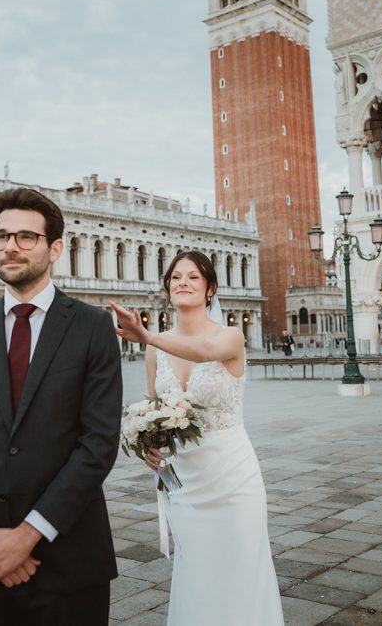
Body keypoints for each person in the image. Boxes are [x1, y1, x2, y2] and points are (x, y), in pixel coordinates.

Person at [0, 188, 123, 625]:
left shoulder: (93, 328)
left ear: (55, 249)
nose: (10, 246)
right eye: (2, 236)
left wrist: (28, 535)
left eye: (26, 237)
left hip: (68, 560)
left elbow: (99, 445)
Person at [110, 251, 284, 626]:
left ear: (210, 290)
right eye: (175, 278)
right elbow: (154, 409)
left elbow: (205, 351)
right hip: (185, 483)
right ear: (167, 288)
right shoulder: (154, 350)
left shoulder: (230, 336)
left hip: (233, 477)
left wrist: (147, 336)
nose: (182, 283)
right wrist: (149, 447)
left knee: (241, 572)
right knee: (197, 574)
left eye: (193, 277)